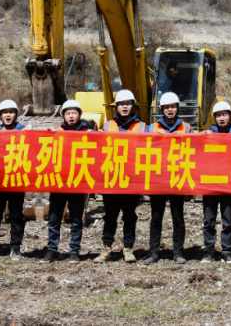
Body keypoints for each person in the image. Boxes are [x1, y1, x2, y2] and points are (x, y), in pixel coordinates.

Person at [96, 89, 146, 263]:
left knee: (129, 215)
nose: (125, 107)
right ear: (116, 107)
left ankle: (128, 248)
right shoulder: (107, 125)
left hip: (131, 178)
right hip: (111, 178)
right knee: (110, 215)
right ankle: (107, 248)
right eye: (121, 104)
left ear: (133, 106)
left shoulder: (142, 127)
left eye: (128, 104)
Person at [144, 92, 192, 266]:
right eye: (166, 107)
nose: (170, 110)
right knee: (156, 218)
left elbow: (195, 150)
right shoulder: (151, 128)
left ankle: (178, 252)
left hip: (177, 178)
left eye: (172, 106)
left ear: (177, 108)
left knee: (178, 218)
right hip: (158, 178)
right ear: (161, 109)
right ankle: (153, 252)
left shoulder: (187, 128)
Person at [43, 100, 94, 263]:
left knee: (77, 219)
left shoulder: (88, 131)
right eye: (68, 113)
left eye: (74, 113)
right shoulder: (57, 131)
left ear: (79, 114)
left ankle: (74, 251)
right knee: (54, 218)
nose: (71, 116)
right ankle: (51, 249)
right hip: (59, 181)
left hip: (78, 182)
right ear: (63, 115)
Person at [0, 100, 26, 261]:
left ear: (16, 114)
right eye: (5, 112)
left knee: (16, 215)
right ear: (0, 115)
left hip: (16, 180)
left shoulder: (25, 132)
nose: (8, 115)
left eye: (11, 112)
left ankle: (15, 247)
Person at [202, 100, 231, 263]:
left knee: (228, 219)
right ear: (214, 118)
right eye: (218, 115)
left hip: (228, 184)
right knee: (209, 219)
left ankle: (226, 251)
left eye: (224, 114)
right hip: (210, 183)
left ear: (230, 116)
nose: (222, 118)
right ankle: (209, 251)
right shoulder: (207, 135)